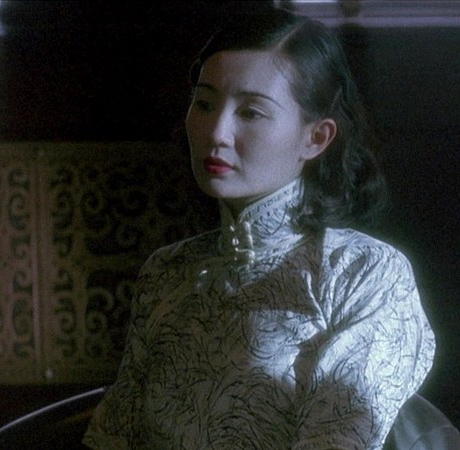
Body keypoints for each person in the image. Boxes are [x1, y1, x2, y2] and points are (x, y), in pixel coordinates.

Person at [83, 8, 436, 450]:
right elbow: (113, 438)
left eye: (251, 112)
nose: (217, 133)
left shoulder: (364, 274)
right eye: (204, 104)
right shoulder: (167, 272)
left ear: (316, 138)